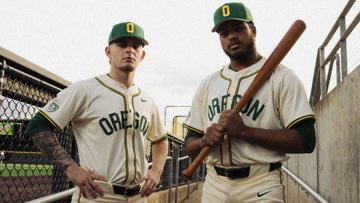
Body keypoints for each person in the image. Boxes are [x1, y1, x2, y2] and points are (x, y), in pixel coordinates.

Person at [183, 2, 316, 202]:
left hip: (261, 183)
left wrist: (245, 132)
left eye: (238, 28)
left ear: (252, 30)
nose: (232, 36)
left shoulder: (282, 77)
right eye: (224, 33)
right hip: (214, 185)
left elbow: (306, 140)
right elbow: (189, 144)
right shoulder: (208, 84)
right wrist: (204, 141)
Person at [26, 22, 168, 203]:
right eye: (122, 44)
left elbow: (161, 139)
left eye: (136, 45)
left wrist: (156, 170)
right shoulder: (85, 89)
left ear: (143, 54)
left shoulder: (148, 100)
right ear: (108, 52)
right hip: (98, 195)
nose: (129, 50)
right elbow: (38, 125)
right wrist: (71, 168)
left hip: (139, 197)